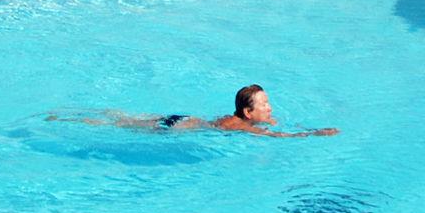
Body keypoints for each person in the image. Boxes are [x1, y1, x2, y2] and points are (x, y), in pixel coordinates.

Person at [135, 86, 337, 138]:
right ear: (248, 113)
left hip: (184, 120)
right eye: (264, 104)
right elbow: (279, 136)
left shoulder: (243, 120)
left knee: (125, 120)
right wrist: (315, 133)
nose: (270, 108)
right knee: (120, 125)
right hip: (175, 128)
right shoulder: (241, 126)